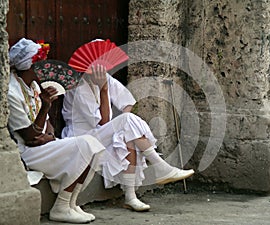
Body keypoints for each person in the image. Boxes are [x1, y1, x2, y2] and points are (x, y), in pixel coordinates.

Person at [61, 42, 195, 212]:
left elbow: (128, 103)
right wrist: (103, 91)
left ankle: (130, 197)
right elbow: (102, 121)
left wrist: (119, 126)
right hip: (81, 137)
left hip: (99, 132)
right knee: (126, 123)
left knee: (128, 135)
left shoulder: (106, 79)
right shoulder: (78, 87)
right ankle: (160, 166)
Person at [7, 38, 106, 223]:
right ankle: (61, 206)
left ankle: (71, 203)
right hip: (28, 151)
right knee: (84, 145)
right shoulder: (12, 92)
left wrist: (50, 135)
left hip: (44, 142)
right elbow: (29, 137)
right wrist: (45, 106)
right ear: (29, 65)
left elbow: (48, 123)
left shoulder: (35, 85)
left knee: (93, 146)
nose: (46, 67)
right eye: (41, 62)